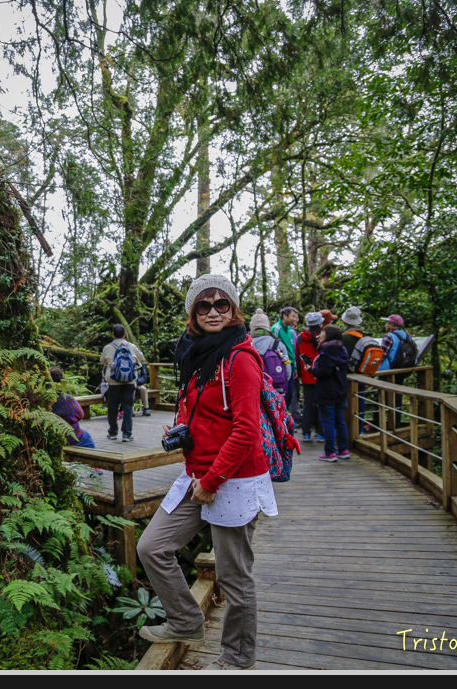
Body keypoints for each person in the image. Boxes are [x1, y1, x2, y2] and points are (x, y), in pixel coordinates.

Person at [136, 273, 276, 671]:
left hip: (233, 478)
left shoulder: (241, 358)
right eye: (204, 305)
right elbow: (198, 410)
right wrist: (181, 429)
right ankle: (185, 621)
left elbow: (246, 430)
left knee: (234, 577)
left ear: (233, 310)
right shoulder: (195, 354)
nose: (213, 312)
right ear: (193, 313)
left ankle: (237, 657)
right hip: (196, 474)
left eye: (221, 304)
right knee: (152, 547)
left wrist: (213, 481)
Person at [305, 325, 351, 461]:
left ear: (329, 335)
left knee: (328, 422)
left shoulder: (326, 352)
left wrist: (310, 370)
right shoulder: (342, 350)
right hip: (340, 390)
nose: (320, 335)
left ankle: (330, 452)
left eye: (323, 333)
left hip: (327, 391)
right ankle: (343, 449)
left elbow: (325, 372)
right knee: (340, 421)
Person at [100, 324, 147, 442]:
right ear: (125, 334)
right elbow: (141, 358)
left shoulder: (108, 348)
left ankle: (113, 432)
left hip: (113, 382)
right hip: (130, 381)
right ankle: (127, 434)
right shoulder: (132, 346)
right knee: (127, 407)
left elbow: (103, 362)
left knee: (112, 407)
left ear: (113, 335)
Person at [339, 306, 371, 431]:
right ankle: (359, 429)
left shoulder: (343, 337)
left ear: (345, 322)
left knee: (345, 404)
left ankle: (347, 431)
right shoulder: (364, 336)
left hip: (346, 376)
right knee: (360, 402)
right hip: (362, 375)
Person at [48, 367, 95, 449]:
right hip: (73, 438)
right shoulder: (66, 398)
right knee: (87, 437)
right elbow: (81, 415)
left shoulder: (42, 400)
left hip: (53, 439)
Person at [295, 312, 324, 442]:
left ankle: (306, 433)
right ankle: (320, 433)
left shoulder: (300, 338)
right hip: (320, 375)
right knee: (321, 404)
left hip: (307, 375)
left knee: (307, 405)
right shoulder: (322, 336)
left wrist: (300, 374)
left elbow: (298, 357)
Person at [249, 308, 290, 398]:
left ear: (252, 326)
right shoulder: (277, 344)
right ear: (267, 325)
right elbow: (288, 370)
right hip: (277, 391)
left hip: (254, 391)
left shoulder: (247, 344)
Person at [271, 306, 301, 425]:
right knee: (282, 394)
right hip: (281, 368)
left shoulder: (290, 330)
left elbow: (292, 350)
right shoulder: (276, 329)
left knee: (290, 395)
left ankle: (286, 420)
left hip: (291, 367)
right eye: (293, 316)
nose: (295, 319)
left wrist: (294, 367)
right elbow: (274, 348)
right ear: (285, 316)